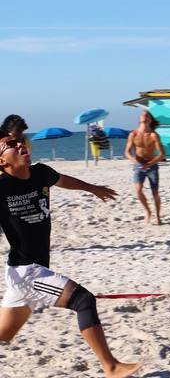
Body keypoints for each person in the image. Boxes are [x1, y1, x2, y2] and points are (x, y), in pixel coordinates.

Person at [0, 132, 141, 378]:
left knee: (4, 335)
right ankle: (111, 367)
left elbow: (64, 180)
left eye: (18, 140)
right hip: (26, 272)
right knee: (83, 300)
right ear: (2, 162)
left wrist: (92, 188)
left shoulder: (41, 172)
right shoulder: (1, 188)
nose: (20, 144)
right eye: (10, 145)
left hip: (23, 273)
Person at [125, 110, 165, 224]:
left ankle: (157, 216)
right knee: (138, 191)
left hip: (151, 165)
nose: (144, 115)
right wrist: (133, 161)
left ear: (150, 120)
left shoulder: (153, 135)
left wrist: (149, 164)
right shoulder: (133, 134)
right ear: (139, 118)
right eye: (142, 114)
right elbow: (127, 152)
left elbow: (162, 154)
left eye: (147, 115)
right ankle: (148, 212)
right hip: (138, 164)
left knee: (155, 193)